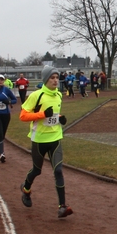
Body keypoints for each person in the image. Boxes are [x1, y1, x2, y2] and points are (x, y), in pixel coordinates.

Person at [19, 66, 72, 218]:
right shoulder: (37, 95)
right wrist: (42, 114)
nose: (55, 80)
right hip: (39, 139)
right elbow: (23, 116)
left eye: (57, 77)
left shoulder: (59, 95)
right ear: (45, 79)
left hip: (55, 138)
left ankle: (62, 206)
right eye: (52, 78)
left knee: (58, 170)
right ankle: (26, 190)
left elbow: (54, 115)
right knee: (37, 170)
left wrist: (60, 118)